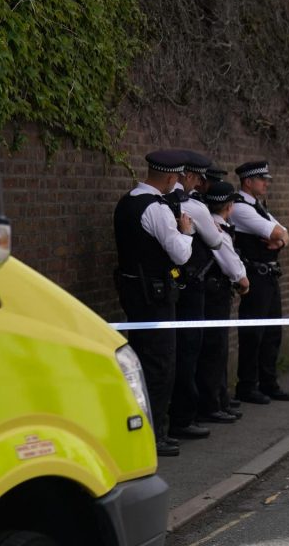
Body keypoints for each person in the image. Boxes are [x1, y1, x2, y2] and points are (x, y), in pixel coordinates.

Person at [113, 149, 194, 457]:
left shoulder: (127, 201)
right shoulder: (156, 209)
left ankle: (141, 428)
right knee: (160, 364)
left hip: (133, 292)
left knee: (142, 362)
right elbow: (180, 254)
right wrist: (186, 233)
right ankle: (154, 434)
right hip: (156, 296)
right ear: (172, 178)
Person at [167, 151, 224, 440]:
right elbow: (215, 241)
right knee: (189, 351)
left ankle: (167, 418)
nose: (201, 184)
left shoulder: (162, 202)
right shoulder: (195, 207)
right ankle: (183, 418)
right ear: (188, 176)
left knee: (167, 354)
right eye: (199, 178)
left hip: (166, 287)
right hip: (192, 288)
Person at [231, 160, 289, 404]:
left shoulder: (257, 205)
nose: (266, 183)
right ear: (248, 182)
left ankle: (268, 383)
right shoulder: (240, 208)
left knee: (272, 332)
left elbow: (285, 232)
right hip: (254, 277)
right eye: (262, 179)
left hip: (268, 275)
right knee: (253, 333)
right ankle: (247, 386)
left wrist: (281, 240)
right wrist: (279, 238)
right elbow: (277, 233)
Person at [194, 180, 250, 425]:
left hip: (212, 295)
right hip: (215, 296)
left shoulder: (213, 226)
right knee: (214, 352)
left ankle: (220, 400)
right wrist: (243, 282)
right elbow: (235, 270)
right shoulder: (218, 231)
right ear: (229, 206)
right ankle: (211, 405)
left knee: (215, 351)